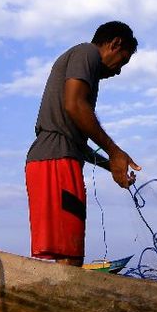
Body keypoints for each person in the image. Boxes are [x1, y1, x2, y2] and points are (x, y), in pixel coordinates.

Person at [25, 21, 142, 268]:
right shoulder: (86, 53)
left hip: (55, 158)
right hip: (57, 161)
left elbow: (75, 134)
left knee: (67, 253)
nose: (119, 71)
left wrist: (111, 164)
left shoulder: (83, 65)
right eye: (123, 61)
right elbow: (74, 104)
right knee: (70, 254)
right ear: (115, 44)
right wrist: (115, 151)